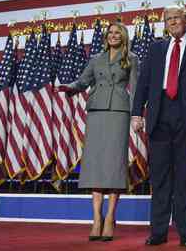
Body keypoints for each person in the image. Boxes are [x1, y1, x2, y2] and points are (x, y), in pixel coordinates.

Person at [131, 5, 186, 247]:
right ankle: (158, 233)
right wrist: (136, 113)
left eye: (176, 18)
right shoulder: (156, 48)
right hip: (159, 118)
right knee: (159, 179)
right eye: (168, 19)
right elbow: (143, 85)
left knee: (184, 179)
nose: (172, 22)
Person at [57, 22, 138, 241]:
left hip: (119, 113)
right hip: (96, 113)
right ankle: (96, 219)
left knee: (113, 165)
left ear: (123, 36)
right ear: (106, 36)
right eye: (110, 33)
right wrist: (71, 87)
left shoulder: (131, 58)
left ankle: (110, 217)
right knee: (95, 164)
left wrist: (137, 115)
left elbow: (137, 88)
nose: (113, 36)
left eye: (117, 33)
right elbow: (83, 81)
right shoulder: (96, 59)